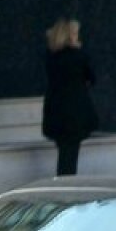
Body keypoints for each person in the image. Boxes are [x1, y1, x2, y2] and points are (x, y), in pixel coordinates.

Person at [41, 17, 97, 176]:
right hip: (75, 112)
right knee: (71, 154)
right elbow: (91, 78)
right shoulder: (79, 56)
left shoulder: (51, 57)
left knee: (64, 152)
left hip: (56, 110)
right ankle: (66, 185)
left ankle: (63, 182)